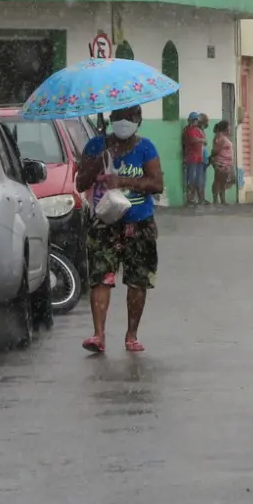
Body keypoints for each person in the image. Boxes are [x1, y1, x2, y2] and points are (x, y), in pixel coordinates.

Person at [76, 105, 164, 354]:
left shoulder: (145, 148)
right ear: (110, 120)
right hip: (105, 223)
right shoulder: (95, 146)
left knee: (138, 281)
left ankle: (131, 334)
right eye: (118, 117)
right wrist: (98, 162)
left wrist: (123, 181)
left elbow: (156, 183)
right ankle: (98, 334)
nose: (124, 122)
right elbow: (80, 182)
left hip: (140, 222)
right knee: (101, 277)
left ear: (138, 121)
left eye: (130, 118)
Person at [183, 112, 207, 206]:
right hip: (191, 158)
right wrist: (200, 140)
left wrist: (199, 139)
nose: (195, 122)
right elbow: (192, 139)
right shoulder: (188, 129)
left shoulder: (198, 130)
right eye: (195, 120)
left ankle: (199, 199)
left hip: (199, 158)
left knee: (199, 180)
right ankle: (190, 198)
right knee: (191, 179)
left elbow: (205, 141)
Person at [210, 120, 235, 205]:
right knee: (218, 181)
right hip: (221, 162)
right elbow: (215, 150)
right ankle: (216, 200)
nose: (230, 129)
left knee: (222, 182)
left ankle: (222, 200)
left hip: (225, 163)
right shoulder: (220, 138)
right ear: (225, 128)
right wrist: (214, 160)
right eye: (228, 127)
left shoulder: (222, 137)